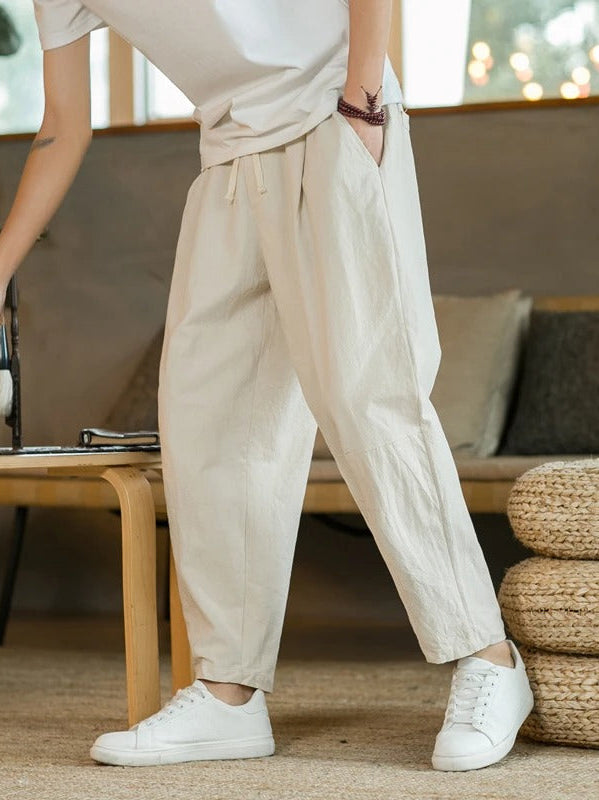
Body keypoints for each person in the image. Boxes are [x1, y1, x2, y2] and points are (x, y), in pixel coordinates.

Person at [0, 0, 534, 772]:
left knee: (367, 396)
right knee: (210, 420)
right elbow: (63, 123)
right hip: (227, 160)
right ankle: (229, 694)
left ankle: (487, 656)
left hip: (331, 116)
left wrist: (362, 102)